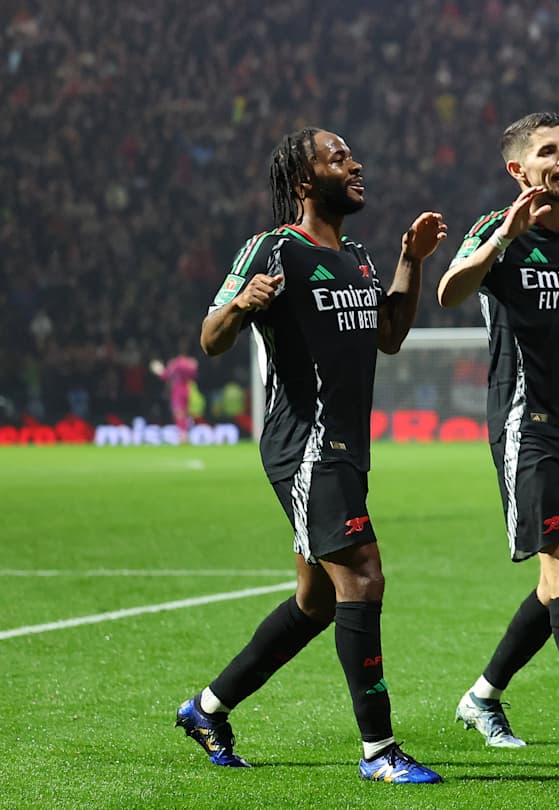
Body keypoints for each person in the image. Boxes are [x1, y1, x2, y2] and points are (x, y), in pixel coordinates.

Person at [176, 127, 446, 784]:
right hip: (305, 447)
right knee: (363, 577)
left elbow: (389, 335)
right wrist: (241, 304)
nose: (355, 164)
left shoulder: (357, 256)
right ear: (304, 181)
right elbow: (211, 337)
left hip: (346, 449)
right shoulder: (273, 248)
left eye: (351, 155)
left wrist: (411, 260)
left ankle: (206, 708)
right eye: (338, 158)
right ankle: (379, 751)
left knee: (316, 603)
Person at [439, 112, 559, 766]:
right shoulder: (496, 232)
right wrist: (502, 237)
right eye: (547, 152)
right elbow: (448, 293)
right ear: (517, 170)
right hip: (528, 429)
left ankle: (483, 696)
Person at [151, 347, 199, 437]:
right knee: (185, 413)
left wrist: (158, 370)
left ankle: (183, 434)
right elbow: (194, 375)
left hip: (177, 391)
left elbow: (165, 375)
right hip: (187, 389)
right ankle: (186, 432)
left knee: (178, 413)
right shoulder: (190, 363)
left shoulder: (175, 363)